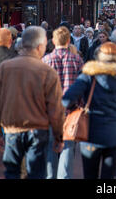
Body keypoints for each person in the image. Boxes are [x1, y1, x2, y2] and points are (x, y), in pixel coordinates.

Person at [0, 26, 64, 179]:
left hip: (12, 130)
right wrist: (58, 136)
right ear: (39, 46)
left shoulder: (5, 68)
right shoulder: (47, 71)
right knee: (36, 173)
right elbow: (55, 108)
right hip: (37, 130)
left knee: (12, 172)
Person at [62, 42, 116, 179]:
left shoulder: (88, 76)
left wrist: (77, 110)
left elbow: (67, 100)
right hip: (115, 135)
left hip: (91, 134)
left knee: (90, 175)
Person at [42, 26, 84, 179]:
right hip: (70, 113)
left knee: (50, 153)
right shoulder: (77, 60)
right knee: (67, 152)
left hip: (50, 112)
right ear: (68, 40)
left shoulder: (45, 60)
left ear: (53, 41)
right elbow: (82, 87)